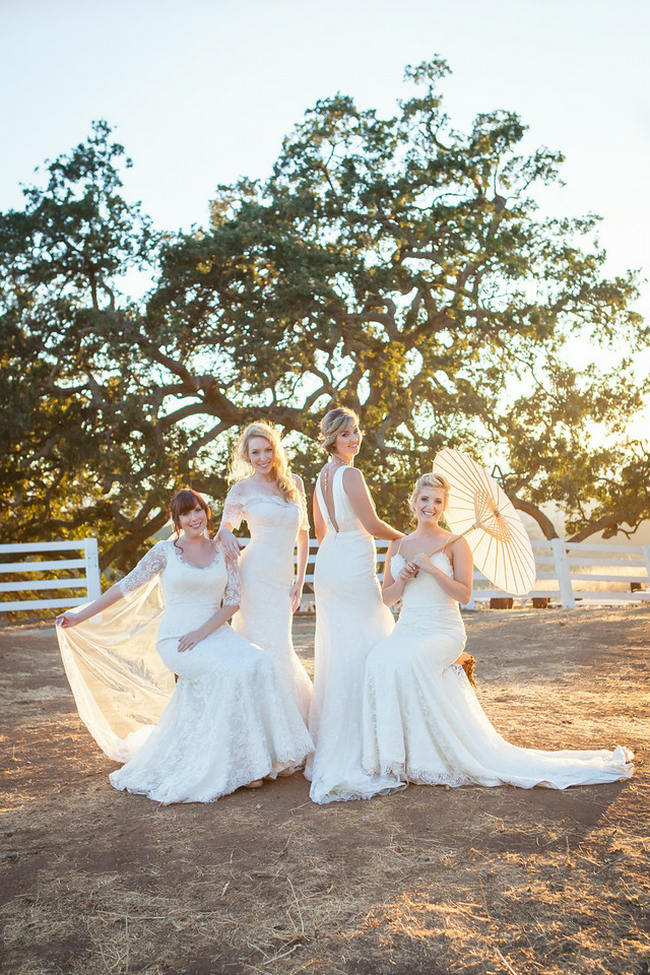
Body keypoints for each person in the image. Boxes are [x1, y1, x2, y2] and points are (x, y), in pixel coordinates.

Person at [362, 473, 634, 791]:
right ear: (414, 501)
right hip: (407, 629)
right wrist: (405, 577)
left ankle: (428, 758)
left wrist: (433, 569)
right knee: (378, 660)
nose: (430, 506)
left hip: (443, 630)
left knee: (409, 663)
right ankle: (395, 757)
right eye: (425, 499)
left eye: (437, 501)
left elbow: (463, 595)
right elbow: (387, 598)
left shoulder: (457, 543)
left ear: (444, 506)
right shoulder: (399, 545)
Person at [56, 489, 313, 804]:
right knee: (228, 673)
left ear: (207, 512)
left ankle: (255, 758)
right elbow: (125, 586)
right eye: (186, 514)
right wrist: (80, 614)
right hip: (177, 640)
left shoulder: (223, 549)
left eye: (199, 510)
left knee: (258, 663)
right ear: (176, 520)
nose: (195, 518)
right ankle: (242, 768)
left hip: (213, 632)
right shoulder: (164, 551)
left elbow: (232, 602)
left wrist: (204, 631)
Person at [305, 407, 404, 803]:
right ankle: (365, 743)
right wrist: (411, 538)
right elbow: (375, 525)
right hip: (349, 567)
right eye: (346, 434)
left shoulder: (321, 476)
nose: (355, 438)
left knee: (340, 650)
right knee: (368, 641)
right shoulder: (351, 474)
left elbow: (319, 530)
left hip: (329, 563)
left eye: (357, 431)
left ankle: (337, 741)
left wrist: (341, 544)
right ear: (331, 438)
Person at [217, 422, 312, 719]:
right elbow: (224, 529)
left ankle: (287, 722)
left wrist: (299, 581)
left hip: (283, 579)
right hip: (254, 577)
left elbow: (304, 534)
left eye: (268, 450)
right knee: (257, 647)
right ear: (246, 456)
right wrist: (227, 532)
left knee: (281, 646)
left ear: (276, 450)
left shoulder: (293, 482)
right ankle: (256, 722)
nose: (262, 457)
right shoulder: (241, 489)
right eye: (255, 452)